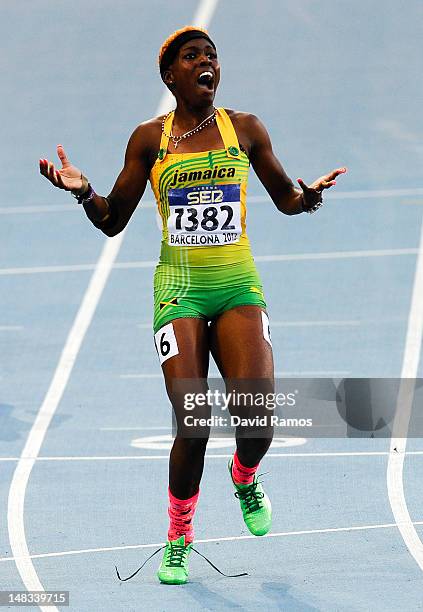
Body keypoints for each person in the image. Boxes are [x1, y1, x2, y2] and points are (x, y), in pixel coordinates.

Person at [39, 26, 347, 585]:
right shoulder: (149, 140)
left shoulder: (245, 129)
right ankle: (179, 535)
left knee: (257, 419)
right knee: (194, 423)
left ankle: (245, 474)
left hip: (236, 287)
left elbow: (286, 199)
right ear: (170, 76)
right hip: (179, 290)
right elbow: (112, 221)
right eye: (191, 57)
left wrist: (311, 199)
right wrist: (83, 192)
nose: (206, 62)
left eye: (211, 55)